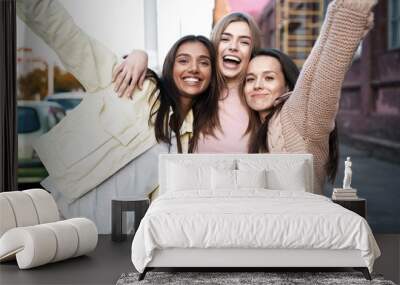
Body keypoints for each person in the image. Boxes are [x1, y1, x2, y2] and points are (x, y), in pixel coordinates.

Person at [16, 0, 219, 233]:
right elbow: (66, 35)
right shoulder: (133, 86)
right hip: (59, 213)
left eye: (204, 63)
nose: (193, 68)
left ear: (212, 74)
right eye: (184, 60)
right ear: (170, 66)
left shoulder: (192, 137)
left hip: (112, 237)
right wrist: (137, 54)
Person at [243, 0, 376, 195]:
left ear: (287, 84)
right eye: (250, 79)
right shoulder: (254, 126)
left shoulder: (299, 117)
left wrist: (347, 10)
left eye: (269, 77)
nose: (257, 85)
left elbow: (324, 71)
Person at [114, 12, 261, 153]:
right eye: (225, 39)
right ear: (214, 46)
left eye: (244, 42)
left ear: (252, 51)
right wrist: (138, 55)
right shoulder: (199, 91)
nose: (233, 47)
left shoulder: (257, 99)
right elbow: (168, 84)